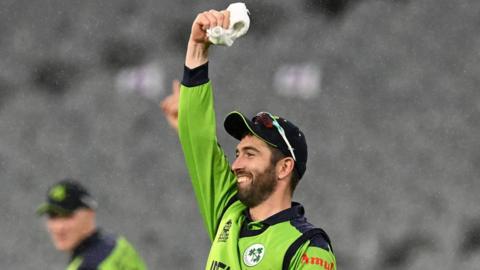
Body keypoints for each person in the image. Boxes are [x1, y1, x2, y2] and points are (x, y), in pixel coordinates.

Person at [161, 7, 337, 270]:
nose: (236, 164)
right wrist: (197, 47)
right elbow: (198, 138)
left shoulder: (308, 248)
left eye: (250, 154)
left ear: (284, 167)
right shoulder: (229, 213)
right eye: (237, 153)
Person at [37, 179, 147, 270]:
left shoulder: (88, 266)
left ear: (89, 214)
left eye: (68, 216)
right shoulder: (117, 244)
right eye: (53, 216)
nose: (59, 227)